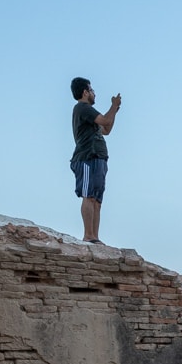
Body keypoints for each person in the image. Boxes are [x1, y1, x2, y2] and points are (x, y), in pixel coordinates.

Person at [69, 77, 122, 245]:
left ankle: (95, 237)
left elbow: (106, 129)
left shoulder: (88, 114)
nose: (94, 93)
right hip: (86, 157)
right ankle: (88, 235)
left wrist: (114, 111)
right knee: (89, 195)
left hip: (98, 157)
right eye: (91, 90)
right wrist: (113, 106)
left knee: (97, 200)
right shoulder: (82, 108)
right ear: (85, 92)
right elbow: (105, 120)